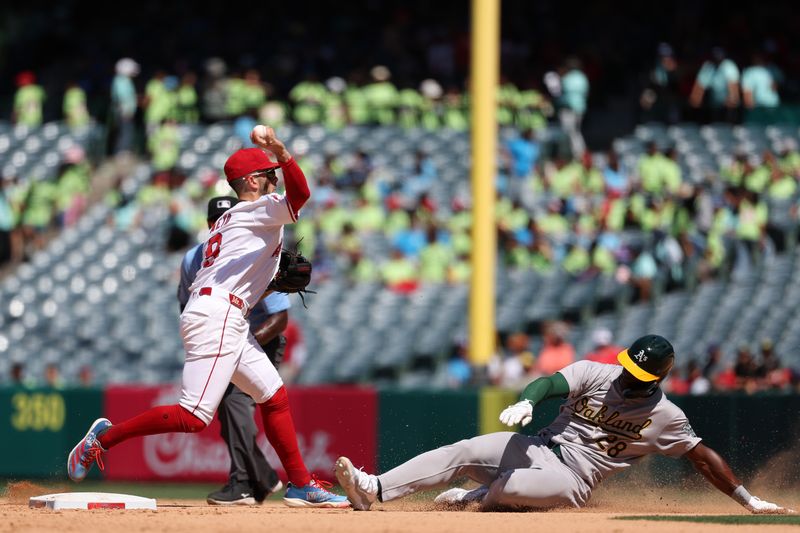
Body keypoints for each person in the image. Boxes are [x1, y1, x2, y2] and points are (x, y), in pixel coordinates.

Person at [67, 126, 349, 508]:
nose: (274, 177)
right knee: (193, 416)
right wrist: (282, 151)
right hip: (218, 315)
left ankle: (300, 484)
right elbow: (301, 195)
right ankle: (103, 438)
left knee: (273, 395)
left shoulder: (232, 220)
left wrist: (265, 284)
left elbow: (236, 274)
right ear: (251, 180)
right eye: (268, 173)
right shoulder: (257, 211)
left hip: (224, 311)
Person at [335, 335, 791, 514]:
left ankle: (476, 496)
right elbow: (550, 382)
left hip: (573, 479)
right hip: (536, 446)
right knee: (464, 449)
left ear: (659, 377)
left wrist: (747, 499)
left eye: (641, 374)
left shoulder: (666, 416)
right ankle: (372, 488)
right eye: (629, 366)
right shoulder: (598, 372)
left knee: (509, 488)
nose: (630, 375)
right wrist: (527, 402)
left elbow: (702, 456)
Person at [177, 196, 288, 505]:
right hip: (217, 333)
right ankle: (261, 477)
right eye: (216, 220)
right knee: (222, 412)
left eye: (227, 217)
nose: (222, 224)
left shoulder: (253, 251)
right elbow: (187, 306)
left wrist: (238, 341)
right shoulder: (193, 259)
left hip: (261, 338)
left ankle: (243, 484)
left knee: (235, 406)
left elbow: (280, 318)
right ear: (211, 225)